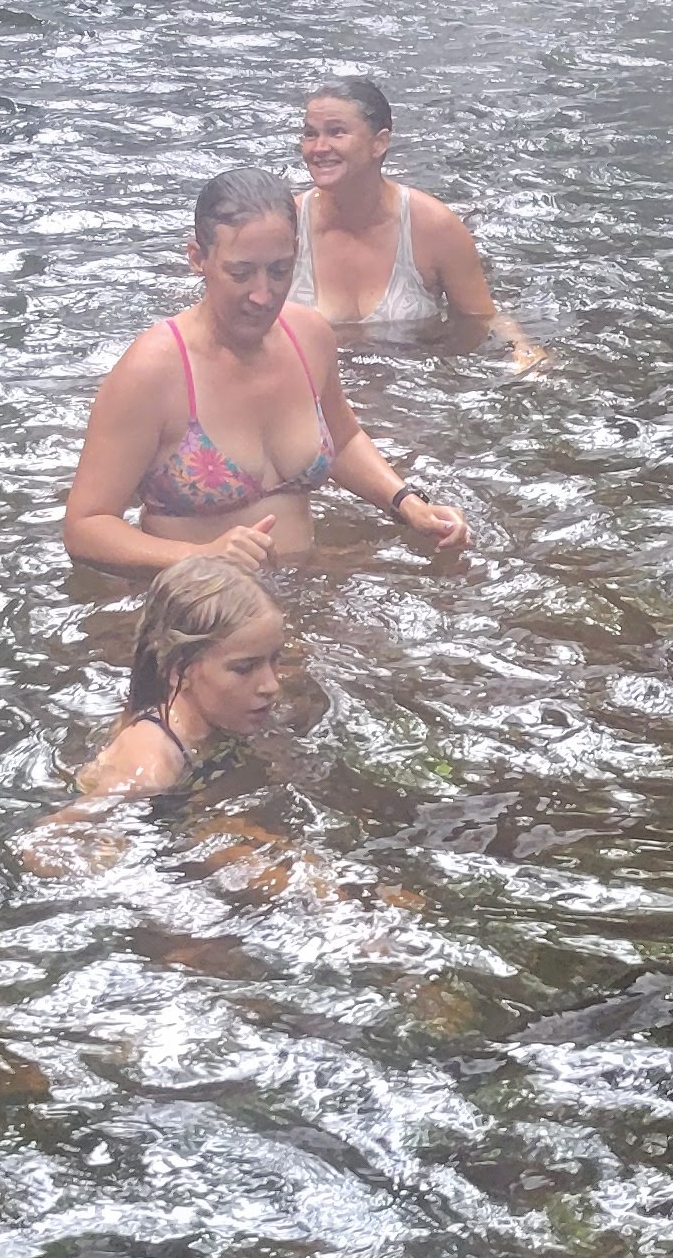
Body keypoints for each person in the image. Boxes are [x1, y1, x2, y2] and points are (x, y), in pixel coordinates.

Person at [62, 165, 470, 572]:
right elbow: (86, 526)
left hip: (303, 588)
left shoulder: (309, 335)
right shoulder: (153, 371)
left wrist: (408, 504)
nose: (263, 294)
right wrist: (197, 556)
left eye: (279, 270)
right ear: (198, 259)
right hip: (201, 613)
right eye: (241, 273)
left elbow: (342, 440)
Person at [292, 75, 538, 366]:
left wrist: (524, 351)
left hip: (409, 386)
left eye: (336, 132)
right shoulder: (286, 225)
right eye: (310, 134)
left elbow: (483, 318)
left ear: (379, 143)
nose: (318, 148)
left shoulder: (434, 227)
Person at [76, 555, 288, 794]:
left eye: (275, 659)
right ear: (179, 671)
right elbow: (68, 828)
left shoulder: (214, 724)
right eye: (244, 668)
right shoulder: (150, 766)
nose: (271, 686)